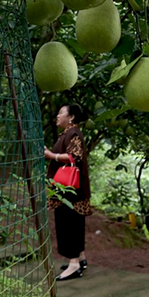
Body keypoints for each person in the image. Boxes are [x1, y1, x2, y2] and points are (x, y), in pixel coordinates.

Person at [45, 104, 92, 281]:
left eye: (61, 112)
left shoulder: (73, 133)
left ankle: (73, 264)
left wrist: (52, 155)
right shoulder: (70, 133)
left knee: (68, 223)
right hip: (72, 189)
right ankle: (80, 259)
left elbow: (75, 156)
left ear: (71, 117)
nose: (57, 116)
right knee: (75, 223)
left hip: (69, 190)